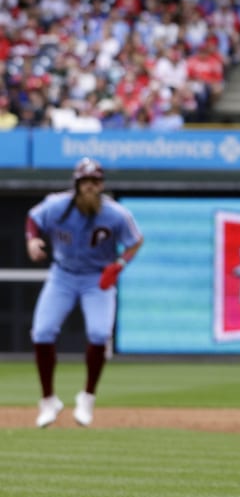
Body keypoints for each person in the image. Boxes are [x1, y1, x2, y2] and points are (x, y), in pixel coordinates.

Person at [25, 158, 145, 429]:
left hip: (96, 278)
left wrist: (120, 264)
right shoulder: (57, 206)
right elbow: (33, 218)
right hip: (63, 275)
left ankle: (87, 397)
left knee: (99, 334)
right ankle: (48, 400)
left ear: (101, 185)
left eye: (95, 182)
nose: (90, 187)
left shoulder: (116, 214)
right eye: (85, 182)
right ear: (76, 184)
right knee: (42, 332)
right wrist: (32, 240)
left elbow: (136, 241)